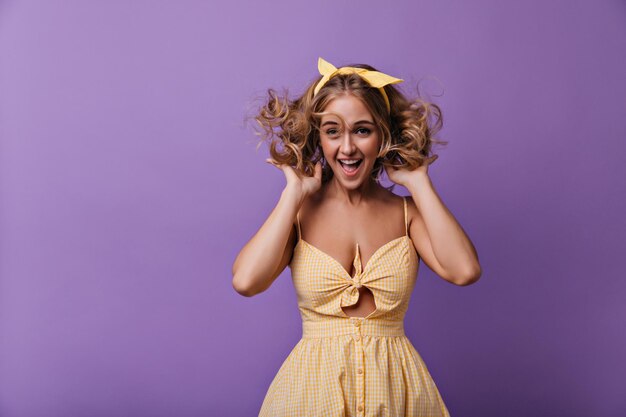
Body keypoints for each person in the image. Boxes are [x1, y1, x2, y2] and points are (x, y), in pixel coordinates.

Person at [232, 57, 481, 417]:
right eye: (332, 131)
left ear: (383, 134)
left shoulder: (407, 214)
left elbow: (465, 271)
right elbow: (246, 281)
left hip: (397, 396)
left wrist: (419, 181)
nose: (347, 148)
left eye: (362, 130)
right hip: (310, 397)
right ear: (318, 136)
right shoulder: (299, 214)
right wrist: (293, 194)